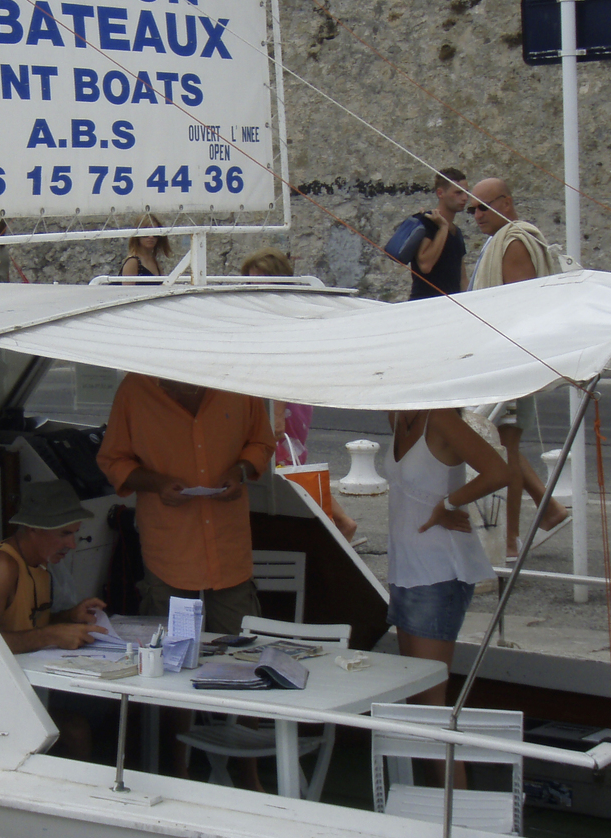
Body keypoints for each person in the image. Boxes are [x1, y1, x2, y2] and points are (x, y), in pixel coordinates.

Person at [96, 374, 273, 634]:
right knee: (170, 656)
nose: (178, 393)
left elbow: (262, 441)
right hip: (169, 551)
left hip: (228, 550)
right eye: (170, 386)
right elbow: (113, 460)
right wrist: (157, 483)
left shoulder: (238, 381)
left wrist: (240, 471)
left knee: (241, 651)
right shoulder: (135, 388)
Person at [467, 177, 572, 558]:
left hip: (507, 358)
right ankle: (549, 511)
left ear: (506, 202)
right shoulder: (501, 241)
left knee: (503, 449)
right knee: (500, 446)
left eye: (482, 207)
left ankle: (509, 541)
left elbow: (517, 304)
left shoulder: (513, 242)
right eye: (471, 210)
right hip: (500, 357)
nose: (476, 215)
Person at [383, 408, 510, 701]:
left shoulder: (441, 419)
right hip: (403, 568)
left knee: (428, 695)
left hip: (439, 570)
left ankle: (435, 746)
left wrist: (449, 504)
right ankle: (414, 747)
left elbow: (499, 472)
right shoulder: (397, 416)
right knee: (411, 688)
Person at [238, 246, 360, 543]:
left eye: (261, 281)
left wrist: (276, 414)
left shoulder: (275, 317)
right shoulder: (289, 311)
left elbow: (276, 364)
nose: (255, 288)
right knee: (292, 467)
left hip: (280, 400)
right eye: (251, 281)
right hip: (288, 398)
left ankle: (339, 522)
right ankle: (339, 522)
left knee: (284, 469)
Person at [0, 479, 105, 653]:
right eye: (64, 534)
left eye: (74, 533)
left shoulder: (42, 563)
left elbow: (31, 624)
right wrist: (49, 636)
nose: (72, 544)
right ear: (33, 528)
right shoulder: (2, 566)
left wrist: (70, 616)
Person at [405, 167, 470, 299]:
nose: (465, 198)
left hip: (451, 305)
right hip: (425, 303)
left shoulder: (456, 231)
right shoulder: (427, 221)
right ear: (440, 193)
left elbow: (462, 278)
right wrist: (443, 228)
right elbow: (425, 265)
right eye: (458, 193)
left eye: (466, 192)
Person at [118, 214, 169, 281]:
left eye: (155, 233)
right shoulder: (132, 262)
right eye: (146, 233)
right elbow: (127, 290)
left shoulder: (155, 262)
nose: (151, 236)